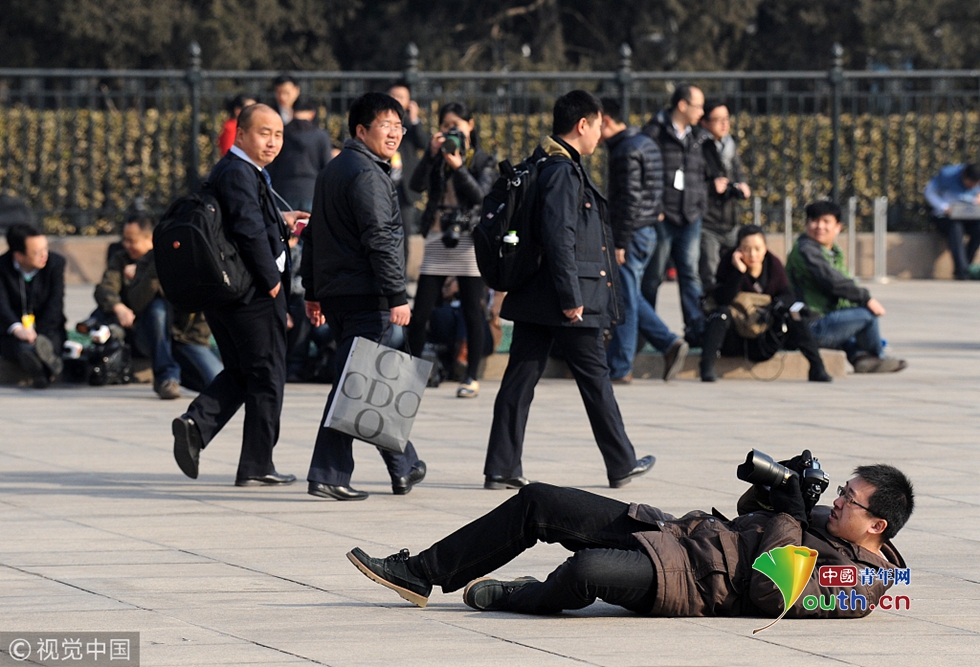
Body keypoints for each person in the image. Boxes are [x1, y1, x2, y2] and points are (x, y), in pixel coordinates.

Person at [347, 459, 913, 619]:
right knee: (540, 499)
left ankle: (523, 595)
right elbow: (749, 515)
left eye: (850, 499)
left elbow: (772, 593)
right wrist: (779, 489)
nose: (839, 500)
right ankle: (422, 573)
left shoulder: (860, 587)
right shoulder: (826, 517)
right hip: (675, 531)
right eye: (841, 490)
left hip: (692, 584)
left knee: (586, 571)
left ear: (877, 526)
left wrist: (789, 516)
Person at [482, 90, 654, 491]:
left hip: (536, 294)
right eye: (598, 125)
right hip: (564, 297)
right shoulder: (561, 170)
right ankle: (621, 462)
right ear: (582, 125)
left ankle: (502, 466)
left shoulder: (543, 162)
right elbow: (559, 235)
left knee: (519, 380)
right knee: (595, 379)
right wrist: (571, 296)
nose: (600, 134)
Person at [171, 103, 308, 487]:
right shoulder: (237, 172)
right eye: (264, 133)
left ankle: (196, 425)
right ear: (242, 134)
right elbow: (247, 229)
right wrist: (272, 281)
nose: (273, 142)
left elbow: (244, 221)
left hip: (234, 290)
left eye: (278, 135)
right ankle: (258, 463)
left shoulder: (242, 171)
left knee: (242, 371)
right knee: (268, 374)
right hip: (251, 292)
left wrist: (282, 220)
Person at [301, 92, 426, 501]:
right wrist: (397, 294)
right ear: (361, 130)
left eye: (399, 126)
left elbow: (314, 235)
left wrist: (313, 291)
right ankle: (329, 474)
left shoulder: (334, 169)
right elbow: (380, 239)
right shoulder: (368, 174)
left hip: (339, 295)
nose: (394, 133)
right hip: (365, 294)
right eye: (385, 125)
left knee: (369, 380)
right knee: (353, 386)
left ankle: (404, 465)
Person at [407, 101, 496, 398]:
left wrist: (459, 167)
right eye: (445, 126)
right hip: (437, 236)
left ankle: (471, 376)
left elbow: (480, 196)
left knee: (472, 311)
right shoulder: (438, 157)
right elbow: (415, 185)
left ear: (470, 125)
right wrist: (431, 155)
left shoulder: (482, 160)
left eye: (456, 125)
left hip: (468, 239)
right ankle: (412, 376)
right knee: (420, 313)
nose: (451, 131)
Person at [598, 97, 687, 384]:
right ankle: (668, 343)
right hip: (646, 230)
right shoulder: (645, 142)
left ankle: (621, 366)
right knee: (629, 294)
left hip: (632, 232)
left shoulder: (626, 150)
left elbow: (629, 199)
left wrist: (620, 241)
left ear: (606, 120)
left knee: (624, 298)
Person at [90, 215, 223, 399]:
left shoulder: (190, 260)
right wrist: (151, 273)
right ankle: (166, 377)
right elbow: (121, 295)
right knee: (157, 308)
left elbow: (202, 306)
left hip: (184, 337)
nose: (126, 245)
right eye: (125, 240)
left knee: (217, 383)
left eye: (132, 241)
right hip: (146, 333)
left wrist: (193, 341)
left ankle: (176, 375)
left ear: (149, 239)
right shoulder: (131, 260)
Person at [786, 201, 907, 373]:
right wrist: (866, 299)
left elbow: (845, 283)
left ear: (838, 227)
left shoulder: (832, 252)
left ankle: (860, 357)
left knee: (850, 314)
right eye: (814, 221)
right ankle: (878, 357)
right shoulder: (806, 250)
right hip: (808, 325)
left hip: (821, 318)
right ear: (806, 224)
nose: (820, 226)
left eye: (826, 221)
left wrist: (858, 300)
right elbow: (833, 282)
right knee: (866, 315)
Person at [699, 225, 831, 383]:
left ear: (765, 248)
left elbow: (787, 295)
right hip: (736, 337)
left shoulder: (773, 265)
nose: (752, 254)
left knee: (794, 315)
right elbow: (723, 299)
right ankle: (706, 367)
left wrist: (775, 306)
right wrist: (739, 272)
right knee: (720, 313)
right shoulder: (728, 263)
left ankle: (817, 368)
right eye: (746, 249)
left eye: (757, 248)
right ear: (738, 249)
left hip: (763, 337)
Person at [641, 83, 709, 345]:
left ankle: (696, 330)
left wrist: (699, 206)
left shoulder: (698, 136)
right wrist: (655, 207)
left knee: (690, 274)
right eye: (698, 106)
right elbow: (645, 172)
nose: (701, 112)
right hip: (663, 216)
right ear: (682, 105)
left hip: (690, 216)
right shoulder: (655, 132)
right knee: (653, 276)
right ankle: (646, 332)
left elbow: (702, 174)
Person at [0, 224, 65, 388]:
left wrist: (39, 337)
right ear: (19, 256)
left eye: (46, 249)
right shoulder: (2, 267)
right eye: (37, 252)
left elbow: (55, 304)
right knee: (16, 345)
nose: (45, 255)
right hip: (15, 331)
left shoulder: (55, 264)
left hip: (47, 329)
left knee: (50, 342)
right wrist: (17, 329)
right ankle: (41, 367)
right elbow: (2, 305)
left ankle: (39, 362)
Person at [700, 100, 752, 290]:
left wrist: (742, 185)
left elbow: (738, 173)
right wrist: (710, 187)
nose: (724, 124)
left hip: (731, 220)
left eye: (727, 119)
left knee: (734, 271)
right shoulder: (699, 146)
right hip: (708, 222)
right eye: (718, 120)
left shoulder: (729, 145)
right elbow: (691, 183)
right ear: (704, 122)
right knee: (710, 274)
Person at [266, 95, 333, 212]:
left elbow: (271, 164)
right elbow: (328, 169)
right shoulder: (320, 136)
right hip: (311, 191)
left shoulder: (282, 133)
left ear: (292, 112)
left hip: (283, 192)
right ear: (312, 114)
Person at [387, 81, 430, 242]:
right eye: (393, 96)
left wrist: (414, 120)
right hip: (384, 182)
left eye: (401, 97)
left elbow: (424, 144)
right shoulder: (380, 122)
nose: (396, 100)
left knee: (404, 234)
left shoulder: (410, 125)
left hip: (403, 187)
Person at [923, 162, 980, 280]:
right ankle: (962, 271)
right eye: (971, 183)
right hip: (946, 216)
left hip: (969, 216)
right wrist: (944, 207)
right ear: (964, 176)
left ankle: (966, 267)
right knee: (956, 229)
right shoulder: (947, 174)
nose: (973, 187)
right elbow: (929, 191)